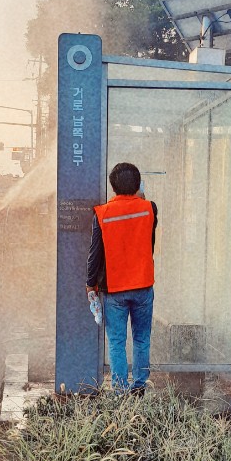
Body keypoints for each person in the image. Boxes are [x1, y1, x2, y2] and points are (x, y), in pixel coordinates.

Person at [87, 162, 157, 394]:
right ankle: (139, 387)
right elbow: (150, 242)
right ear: (137, 185)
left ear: (113, 186)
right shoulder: (150, 209)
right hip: (143, 285)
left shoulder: (103, 213)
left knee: (117, 342)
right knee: (141, 339)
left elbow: (95, 253)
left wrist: (90, 283)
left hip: (114, 288)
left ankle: (120, 390)